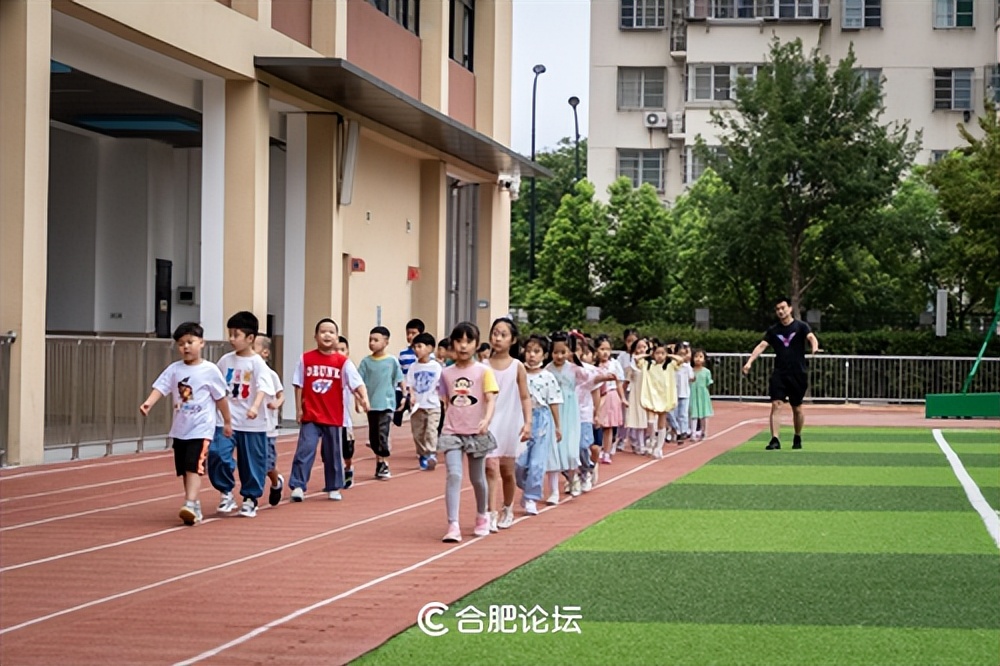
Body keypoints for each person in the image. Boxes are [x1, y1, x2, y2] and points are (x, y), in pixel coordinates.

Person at [140, 322, 232, 525]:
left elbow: (221, 398)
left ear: (201, 343)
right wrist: (148, 403)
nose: (186, 347)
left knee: (193, 466)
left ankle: (190, 503)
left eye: (190, 342)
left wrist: (227, 421)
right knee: (184, 469)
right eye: (181, 344)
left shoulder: (210, 370)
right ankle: (194, 504)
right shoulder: (174, 369)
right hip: (181, 429)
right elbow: (161, 387)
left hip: (201, 429)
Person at [289, 318, 370, 502]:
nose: (327, 335)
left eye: (331, 332)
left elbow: (357, 383)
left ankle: (334, 486)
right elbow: (298, 384)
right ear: (315, 336)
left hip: (333, 416)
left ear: (337, 337)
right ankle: (298, 485)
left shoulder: (343, 362)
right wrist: (298, 409)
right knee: (305, 449)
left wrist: (364, 398)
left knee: (333, 453)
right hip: (311, 414)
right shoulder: (305, 359)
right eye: (323, 331)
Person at [209, 311, 275, 518]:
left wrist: (255, 406)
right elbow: (217, 387)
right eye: (230, 334)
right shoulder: (225, 360)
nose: (231, 339)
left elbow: (264, 387)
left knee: (252, 461)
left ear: (250, 338)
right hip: (227, 420)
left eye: (236, 335)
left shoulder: (257, 363)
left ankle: (250, 498)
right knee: (217, 453)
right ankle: (226, 491)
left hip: (251, 422)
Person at [437, 321, 498, 542]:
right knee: (453, 475)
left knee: (477, 478)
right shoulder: (446, 373)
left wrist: (486, 419)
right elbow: (445, 401)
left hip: (477, 432)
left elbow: (491, 399)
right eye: (459, 341)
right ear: (452, 343)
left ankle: (483, 515)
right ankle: (453, 525)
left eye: (468, 341)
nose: (463, 346)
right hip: (451, 431)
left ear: (476, 344)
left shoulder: (484, 371)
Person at [743, 297, 820, 450]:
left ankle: (797, 436)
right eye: (777, 309)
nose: (780, 311)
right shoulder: (773, 330)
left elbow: (811, 337)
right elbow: (762, 346)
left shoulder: (801, 326)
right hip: (780, 372)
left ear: (790, 309)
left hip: (798, 373)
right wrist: (749, 361)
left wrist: (815, 347)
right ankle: (775, 439)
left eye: (783, 308)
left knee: (796, 407)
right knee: (776, 404)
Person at [486, 318, 531, 531]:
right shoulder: (482, 366)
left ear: (512, 340)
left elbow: (524, 397)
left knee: (506, 470)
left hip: (510, 421)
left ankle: (507, 507)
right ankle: (490, 512)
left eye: (503, 334)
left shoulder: (517, 366)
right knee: (490, 466)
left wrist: (528, 422)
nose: (498, 338)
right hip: (488, 421)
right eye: (495, 333)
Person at [515, 334, 562, 518]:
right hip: (521, 418)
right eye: (528, 351)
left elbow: (554, 402)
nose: (532, 355)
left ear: (544, 355)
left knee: (537, 463)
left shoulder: (548, 377)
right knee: (519, 463)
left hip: (541, 419)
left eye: (536, 352)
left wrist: (558, 426)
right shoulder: (518, 372)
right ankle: (526, 487)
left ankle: (531, 498)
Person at [544, 332, 586, 504]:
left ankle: (573, 477)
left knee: (570, 449)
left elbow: (591, 380)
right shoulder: (547, 370)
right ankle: (555, 488)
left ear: (569, 351)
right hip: (553, 410)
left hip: (570, 410)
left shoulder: (575, 369)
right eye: (556, 352)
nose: (559, 356)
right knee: (554, 449)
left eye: (563, 352)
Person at [359, 326, 405, 479]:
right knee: (373, 436)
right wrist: (360, 400)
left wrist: (404, 396)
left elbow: (399, 379)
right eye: (370, 340)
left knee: (382, 434)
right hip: (371, 405)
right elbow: (359, 382)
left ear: (386, 342)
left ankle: (384, 462)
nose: (372, 343)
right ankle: (379, 461)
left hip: (387, 404)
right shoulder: (366, 362)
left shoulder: (392, 361)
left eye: (376, 340)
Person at [253, 335, 286, 506]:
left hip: (268, 428)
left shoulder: (270, 374)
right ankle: (252, 496)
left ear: (265, 353)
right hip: (250, 426)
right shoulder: (247, 373)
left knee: (267, 464)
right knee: (253, 462)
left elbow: (281, 395)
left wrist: (276, 403)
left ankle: (276, 482)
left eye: (254, 347)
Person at [405, 332, 442, 471]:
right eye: (414, 347)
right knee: (417, 433)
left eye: (419, 346)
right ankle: (422, 454)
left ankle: (431, 454)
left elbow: (441, 384)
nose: (416, 349)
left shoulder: (436, 367)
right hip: (418, 406)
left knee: (431, 431)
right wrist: (411, 396)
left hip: (433, 406)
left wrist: (443, 398)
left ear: (430, 348)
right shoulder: (413, 367)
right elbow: (410, 385)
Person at [640, 340, 681, 459]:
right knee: (651, 421)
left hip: (664, 396)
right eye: (657, 353)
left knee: (662, 422)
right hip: (652, 396)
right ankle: (652, 440)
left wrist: (669, 354)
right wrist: (648, 354)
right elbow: (636, 359)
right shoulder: (648, 365)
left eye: (662, 353)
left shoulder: (669, 366)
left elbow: (680, 360)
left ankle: (659, 447)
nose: (660, 356)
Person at [594, 334, 626, 464]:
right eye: (602, 349)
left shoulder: (615, 364)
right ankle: (597, 448)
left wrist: (622, 397)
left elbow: (619, 382)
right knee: (597, 425)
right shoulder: (593, 365)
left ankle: (606, 452)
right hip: (597, 396)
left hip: (611, 396)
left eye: (607, 349)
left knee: (608, 427)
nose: (605, 352)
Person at [623, 337, 652, 455]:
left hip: (647, 394)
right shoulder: (633, 363)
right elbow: (627, 381)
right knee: (637, 419)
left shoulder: (650, 364)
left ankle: (644, 442)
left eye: (644, 347)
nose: (642, 350)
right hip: (636, 393)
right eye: (639, 347)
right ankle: (639, 444)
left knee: (647, 420)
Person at [394, 318, 425, 427]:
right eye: (408, 333)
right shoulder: (403, 353)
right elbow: (399, 371)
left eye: (414, 333)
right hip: (403, 389)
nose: (410, 336)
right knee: (394, 412)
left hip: (417, 390)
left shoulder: (427, 355)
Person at [336, 335, 358, 488]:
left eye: (342, 350)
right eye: (336, 350)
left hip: (345, 420)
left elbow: (356, 387)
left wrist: (361, 400)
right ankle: (335, 476)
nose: (339, 353)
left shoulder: (348, 368)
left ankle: (348, 467)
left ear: (347, 352)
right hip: (329, 420)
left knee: (347, 450)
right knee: (328, 453)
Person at [670, 342, 694, 443]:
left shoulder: (687, 366)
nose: (682, 357)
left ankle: (683, 431)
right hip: (673, 393)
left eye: (683, 354)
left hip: (684, 393)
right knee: (672, 413)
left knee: (683, 414)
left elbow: (692, 378)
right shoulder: (671, 365)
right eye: (679, 354)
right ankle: (676, 429)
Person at [689, 348, 714, 440]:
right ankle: (693, 433)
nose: (698, 359)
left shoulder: (706, 372)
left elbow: (708, 383)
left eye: (700, 357)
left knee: (704, 414)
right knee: (693, 414)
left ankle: (704, 432)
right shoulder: (690, 370)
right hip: (693, 394)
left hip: (703, 395)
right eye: (696, 356)